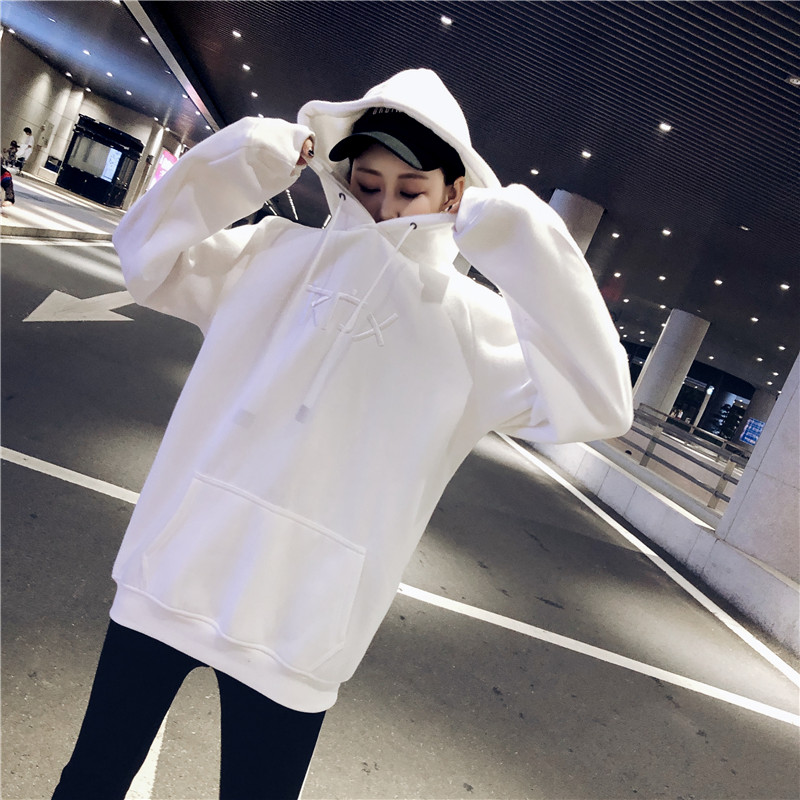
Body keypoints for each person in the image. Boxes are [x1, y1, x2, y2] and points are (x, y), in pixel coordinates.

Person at [52, 68, 633, 799]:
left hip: (301, 628)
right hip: (169, 576)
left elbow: (602, 405)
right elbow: (143, 255)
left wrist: (526, 244)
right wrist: (244, 159)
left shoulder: (474, 327)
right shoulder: (272, 251)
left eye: (410, 189)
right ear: (344, 175)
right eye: (368, 183)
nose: (385, 206)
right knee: (91, 780)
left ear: (454, 194)